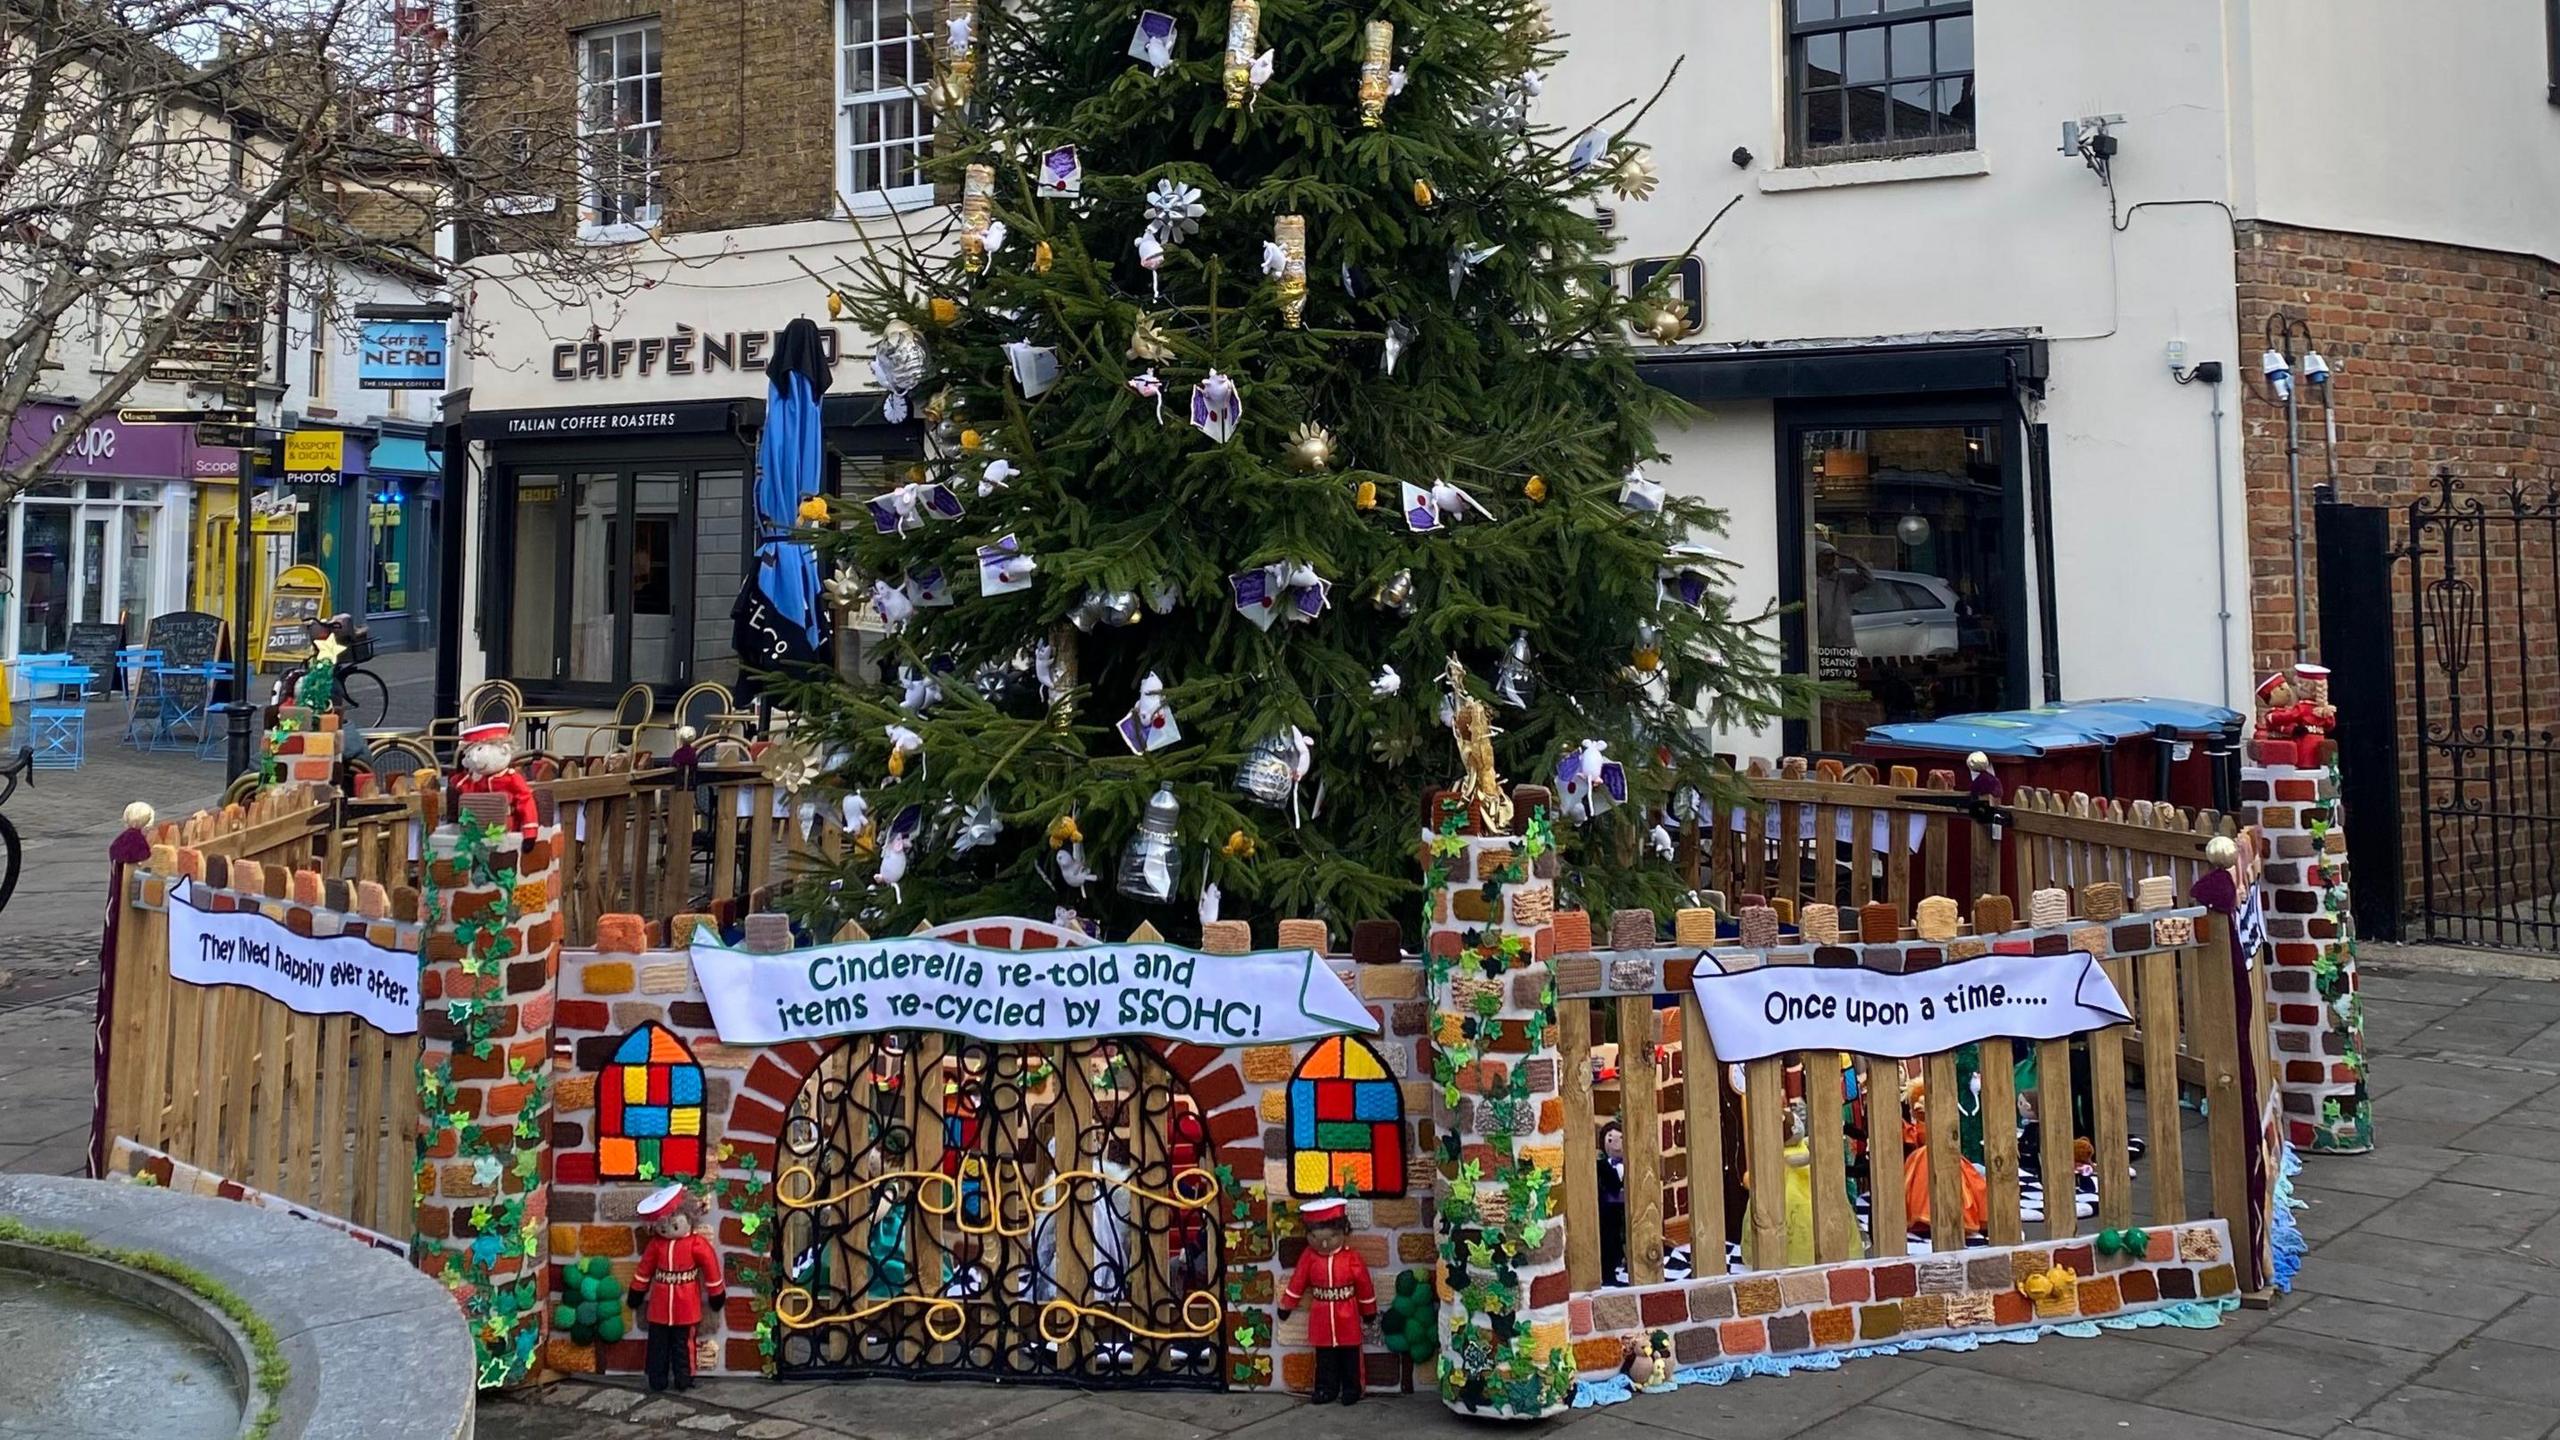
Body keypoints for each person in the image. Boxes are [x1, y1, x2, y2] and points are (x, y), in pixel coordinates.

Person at [1279, 1196, 1375, 1405]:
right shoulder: (1309, 1257)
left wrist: (1369, 1309)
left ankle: (1352, 1388)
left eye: (1331, 1237)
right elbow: (1298, 1281)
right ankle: (1325, 1388)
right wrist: (1287, 1304)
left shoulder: (1352, 1258)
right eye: (1315, 1238)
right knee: (1325, 1358)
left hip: (1347, 1314)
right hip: (1321, 1315)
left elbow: (1364, 1285)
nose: (1324, 1243)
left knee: (1350, 1355)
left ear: (1342, 1232)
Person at [630, 1184, 726, 1392]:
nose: (667, 1230)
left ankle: (685, 1377)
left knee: (684, 1345)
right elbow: (645, 1268)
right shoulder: (656, 1245)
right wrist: (637, 1289)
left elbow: (711, 1267)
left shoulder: (696, 1244)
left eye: (673, 1225)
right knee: (658, 1346)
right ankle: (657, 1378)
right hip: (660, 1305)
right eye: (662, 1227)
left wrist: (716, 1292)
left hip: (686, 1304)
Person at [1596, 1120, 1628, 1283]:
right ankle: (1609, 1273)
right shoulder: (1601, 1166)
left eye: (1620, 1139)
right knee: (1610, 1240)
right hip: (1608, 1211)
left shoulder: (1629, 1165)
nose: (1616, 1144)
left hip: (1627, 1208)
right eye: (1610, 1140)